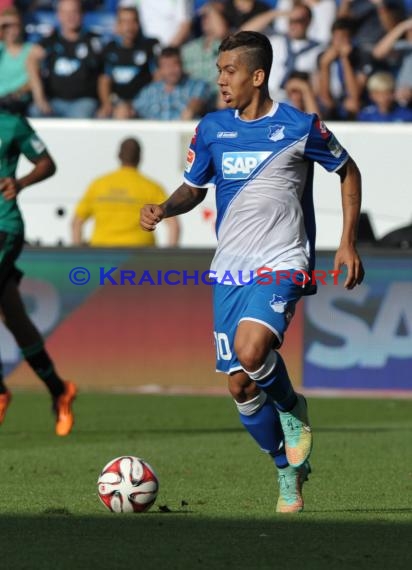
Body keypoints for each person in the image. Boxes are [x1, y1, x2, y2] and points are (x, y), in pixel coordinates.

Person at [140, 31, 365, 513]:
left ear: (257, 76)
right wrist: (165, 207)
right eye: (219, 71)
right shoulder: (212, 129)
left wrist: (347, 243)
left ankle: (291, 407)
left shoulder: (300, 127)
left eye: (229, 71)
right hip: (230, 271)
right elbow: (193, 187)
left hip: (282, 262)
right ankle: (287, 471)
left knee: (251, 349)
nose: (220, 80)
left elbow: (348, 170)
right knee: (240, 384)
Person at [0, 109, 76, 435]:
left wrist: (20, 182)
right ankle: (60, 390)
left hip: (4, 227)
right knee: (14, 317)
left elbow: (47, 163)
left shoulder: (11, 124)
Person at [72, 137, 180, 247]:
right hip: (140, 255)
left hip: (102, 255)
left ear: (119, 155)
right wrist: (169, 258)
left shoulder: (98, 184)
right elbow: (174, 225)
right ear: (140, 157)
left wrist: (78, 255)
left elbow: (76, 223)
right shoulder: (152, 187)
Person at [27, 0, 103, 119]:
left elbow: (105, 74)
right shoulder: (50, 41)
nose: (70, 17)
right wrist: (40, 97)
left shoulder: (94, 41)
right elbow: (31, 61)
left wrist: (106, 103)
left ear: (82, 14)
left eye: (74, 12)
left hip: (83, 101)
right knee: (35, 111)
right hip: (54, 101)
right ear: (59, 15)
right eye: (66, 12)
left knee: (80, 116)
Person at [97, 4, 160, 119]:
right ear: (118, 25)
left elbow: (158, 78)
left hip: (145, 101)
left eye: (133, 21)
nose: (129, 27)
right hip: (118, 103)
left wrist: (138, 104)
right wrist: (107, 104)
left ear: (138, 24)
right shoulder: (109, 49)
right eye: (125, 22)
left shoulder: (149, 46)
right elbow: (104, 80)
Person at [133, 47, 212, 120]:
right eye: (166, 66)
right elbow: (134, 108)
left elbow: (198, 102)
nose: (171, 70)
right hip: (154, 134)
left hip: (186, 133)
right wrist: (125, 109)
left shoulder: (197, 85)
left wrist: (191, 109)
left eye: (175, 64)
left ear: (182, 65)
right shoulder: (149, 91)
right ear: (159, 70)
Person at [0, 6, 34, 114]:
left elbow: (33, 80)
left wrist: (17, 93)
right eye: (6, 26)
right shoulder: (1, 49)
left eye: (15, 26)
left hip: (19, 100)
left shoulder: (31, 50)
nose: (10, 30)